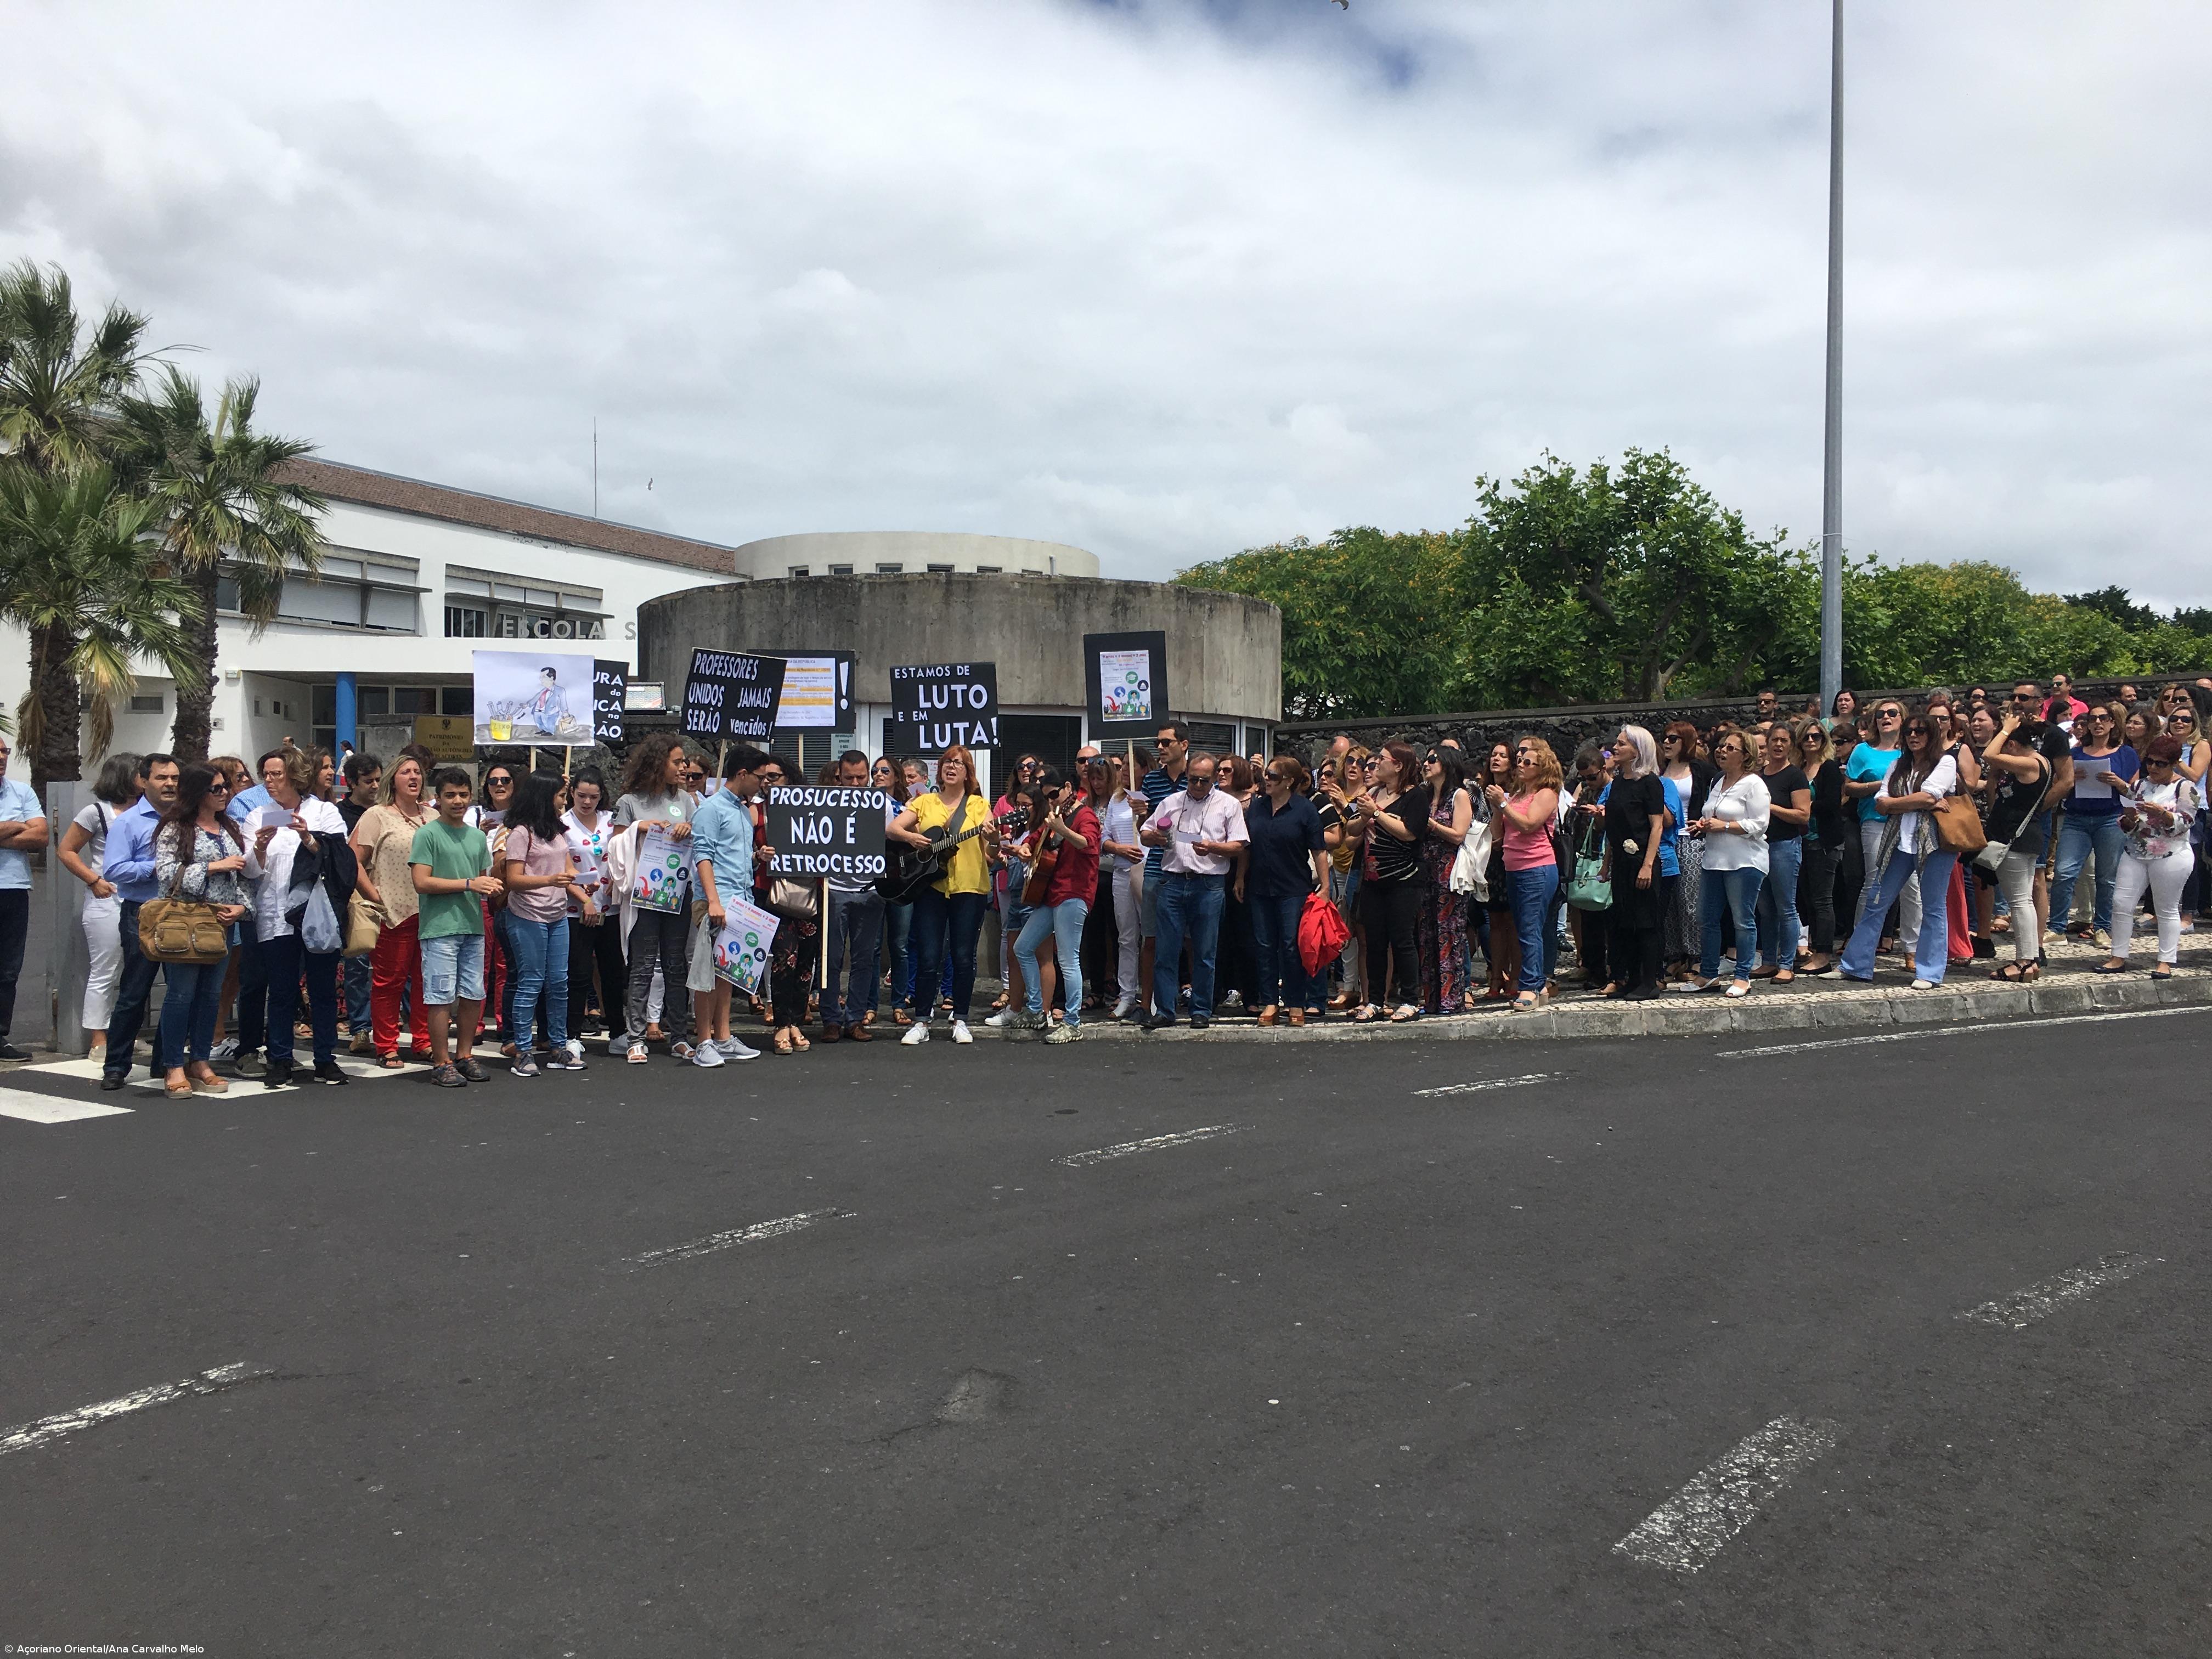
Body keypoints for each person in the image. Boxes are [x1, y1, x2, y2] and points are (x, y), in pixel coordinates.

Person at [245, 746, 353, 1087]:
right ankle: (280, 1058)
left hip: (317, 914)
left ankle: (325, 1057)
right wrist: (260, 847)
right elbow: (249, 870)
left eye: (276, 774)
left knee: (322, 988)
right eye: (266, 774)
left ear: (294, 774)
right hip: (276, 915)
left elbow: (340, 858)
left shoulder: (324, 812)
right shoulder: (258, 815)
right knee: (281, 991)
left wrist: (308, 836)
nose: (269, 781)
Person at [152, 765, 257, 1098]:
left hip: (221, 925)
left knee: (211, 996)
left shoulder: (231, 828)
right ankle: (173, 1066)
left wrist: (243, 907)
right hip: (187, 923)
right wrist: (214, 866)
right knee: (181, 995)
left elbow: (243, 878)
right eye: (217, 789)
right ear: (198, 794)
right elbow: (167, 875)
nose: (225, 792)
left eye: (226, 787)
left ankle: (200, 1061)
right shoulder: (175, 828)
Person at [1839, 713, 1961, 989]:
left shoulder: (1945, 761)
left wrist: (1907, 802)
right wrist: (1923, 803)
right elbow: (1881, 802)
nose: (1914, 736)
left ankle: (1929, 972)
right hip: (1899, 841)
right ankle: (1856, 965)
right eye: (1909, 732)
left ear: (1931, 735)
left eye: (1920, 731)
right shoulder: (1897, 764)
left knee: (1932, 906)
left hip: (1934, 843)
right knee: (1876, 899)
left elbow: (1927, 794)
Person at [892, 745, 998, 1045]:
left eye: (959, 764)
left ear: (968, 773)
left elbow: (991, 853)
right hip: (931, 888)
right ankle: (922, 1020)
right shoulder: (924, 802)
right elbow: (893, 829)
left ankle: (961, 1018)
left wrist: (993, 838)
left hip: (969, 887)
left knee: (963, 957)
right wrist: (912, 837)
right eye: (947, 763)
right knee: (928, 956)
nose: (951, 768)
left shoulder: (978, 805)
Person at [1139, 751, 1249, 1031]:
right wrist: (1153, 836)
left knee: (1204, 951)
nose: (1198, 786)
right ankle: (1165, 1010)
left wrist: (1213, 846)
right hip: (1173, 880)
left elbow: (1239, 845)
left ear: (1215, 779)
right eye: (1193, 780)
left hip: (1209, 883)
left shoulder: (1228, 805)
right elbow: (1145, 833)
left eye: (1204, 781)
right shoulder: (1171, 802)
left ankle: (1201, 1009)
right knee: (1166, 950)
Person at [409, 767, 501, 1087]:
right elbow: (421, 882)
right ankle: (440, 1061)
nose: (458, 801)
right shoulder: (427, 834)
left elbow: (483, 879)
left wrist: (487, 886)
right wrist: (468, 884)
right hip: (439, 928)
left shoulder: (478, 837)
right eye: (450, 795)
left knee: (473, 994)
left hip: (473, 926)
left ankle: (464, 1055)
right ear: (438, 798)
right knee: (440, 997)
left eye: (463, 795)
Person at [98, 752, 180, 1087]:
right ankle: (116, 1065)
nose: (170, 784)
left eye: (175, 778)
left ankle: (166, 1061)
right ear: (143, 781)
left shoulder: (185, 818)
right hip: (142, 913)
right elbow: (114, 870)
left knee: (178, 991)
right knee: (134, 991)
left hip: (180, 913)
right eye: (162, 778)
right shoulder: (129, 822)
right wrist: (156, 868)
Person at [613, 733, 697, 1063]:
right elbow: (616, 845)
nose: (684, 767)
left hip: (679, 892)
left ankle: (679, 1035)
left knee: (677, 966)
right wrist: (641, 827)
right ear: (658, 763)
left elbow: (698, 839)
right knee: (643, 966)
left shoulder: (687, 801)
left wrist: (688, 828)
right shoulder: (630, 802)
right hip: (645, 894)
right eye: (677, 762)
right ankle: (635, 1037)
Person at [498, 774, 588, 1077]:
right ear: (544, 797)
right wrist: (551, 881)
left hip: (557, 914)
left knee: (559, 983)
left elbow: (566, 869)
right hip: (527, 915)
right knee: (531, 983)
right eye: (561, 795)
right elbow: (514, 879)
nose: (565, 801)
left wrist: (585, 895)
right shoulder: (521, 833)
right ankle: (522, 1050)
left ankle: (558, 1046)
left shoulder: (557, 831)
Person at [687, 745, 772, 1059]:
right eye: (760, 777)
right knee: (706, 973)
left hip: (741, 898)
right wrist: (713, 901)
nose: (763, 783)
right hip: (718, 899)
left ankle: (723, 1036)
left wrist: (756, 857)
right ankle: (704, 1041)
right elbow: (704, 857)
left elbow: (730, 855)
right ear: (742, 774)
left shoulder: (741, 809)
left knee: (728, 971)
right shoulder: (711, 810)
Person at [351, 755, 433, 1069]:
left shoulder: (433, 815)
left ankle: (423, 1040)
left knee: (427, 980)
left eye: (417, 772)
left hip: (431, 910)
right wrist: (375, 897)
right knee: (389, 981)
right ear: (392, 779)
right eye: (405, 772)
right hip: (393, 912)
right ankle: (386, 1045)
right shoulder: (377, 816)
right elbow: (352, 860)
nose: (413, 777)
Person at [1674, 730, 1769, 997]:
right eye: (1721, 746)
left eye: (1730, 748)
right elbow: (1713, 815)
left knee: (1743, 920)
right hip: (1714, 860)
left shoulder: (1754, 784)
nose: (1722, 751)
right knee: (1707, 918)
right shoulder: (1719, 781)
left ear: (1745, 755)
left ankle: (1742, 977)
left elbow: (1760, 824)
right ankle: (1708, 974)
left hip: (1744, 862)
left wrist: (1725, 826)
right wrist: (1704, 825)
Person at [58, 753, 139, 1060]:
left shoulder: (150, 811)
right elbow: (66, 850)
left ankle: (126, 1034)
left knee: (139, 969)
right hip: (107, 898)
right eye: (140, 773)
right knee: (106, 969)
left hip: (141, 898)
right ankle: (98, 1038)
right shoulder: (96, 812)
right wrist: (94, 880)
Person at [2098, 735, 2200, 977]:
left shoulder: (2185, 787)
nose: (2153, 768)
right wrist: (2129, 819)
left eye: (2161, 764)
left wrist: (2163, 814)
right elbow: (2126, 820)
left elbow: (2186, 822)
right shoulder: (2140, 785)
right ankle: (2117, 957)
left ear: (2175, 763)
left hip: (2171, 854)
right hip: (2136, 851)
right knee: (2121, 904)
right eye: (2150, 762)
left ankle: (2165, 961)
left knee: (2166, 908)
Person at [1012, 766, 1099, 1043]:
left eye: (1053, 794)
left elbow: (1090, 845)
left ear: (1067, 788)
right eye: (1045, 796)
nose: (1049, 800)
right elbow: (1035, 840)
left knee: (1068, 959)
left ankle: (1072, 1023)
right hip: (1052, 894)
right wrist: (1026, 848)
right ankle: (1038, 1010)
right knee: (1022, 947)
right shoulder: (1056, 814)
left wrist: (1063, 830)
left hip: (1075, 893)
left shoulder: (1085, 815)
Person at [1244, 755, 1329, 1026]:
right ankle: (1270, 1001)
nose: (1267, 779)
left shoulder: (1305, 810)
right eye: (1266, 775)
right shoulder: (1256, 808)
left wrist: (1325, 886)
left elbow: (1319, 850)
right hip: (1259, 886)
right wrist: (1239, 879)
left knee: (1292, 946)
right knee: (1264, 945)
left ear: (1290, 782)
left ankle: (1295, 1001)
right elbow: (1246, 846)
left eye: (1273, 776)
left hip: (1293, 888)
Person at [1486, 737, 1563, 1013]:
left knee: (1531, 928)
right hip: (1514, 868)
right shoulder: (1516, 795)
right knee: (1524, 928)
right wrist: (1499, 806)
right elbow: (1499, 835)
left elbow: (1530, 825)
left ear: (1542, 767)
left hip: (1537, 867)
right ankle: (1538, 984)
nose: (1521, 765)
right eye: (1519, 760)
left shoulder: (1546, 794)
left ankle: (1530, 985)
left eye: (1528, 762)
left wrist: (1504, 806)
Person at [2049, 702, 2134, 944]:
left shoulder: (2125, 753)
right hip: (2076, 818)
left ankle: (2103, 927)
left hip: (2110, 818)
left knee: (2106, 876)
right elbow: (2057, 784)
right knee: (2064, 873)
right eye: (2093, 719)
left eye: (2103, 718)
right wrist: (2070, 779)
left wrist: (2118, 783)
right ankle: (2056, 927)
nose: (2097, 723)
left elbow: (2136, 793)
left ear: (2112, 723)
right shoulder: (2075, 754)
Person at [1978, 709, 2052, 982]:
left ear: (2012, 745)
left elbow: (1988, 755)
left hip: (2017, 839)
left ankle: (2023, 960)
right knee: (2024, 901)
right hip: (2020, 836)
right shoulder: (2035, 762)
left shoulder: (2032, 763)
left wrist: (2006, 728)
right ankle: (2030, 959)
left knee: (2019, 901)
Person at [819, 750, 886, 1045]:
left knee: (865, 959)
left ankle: (855, 1019)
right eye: (850, 778)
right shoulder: (826, 804)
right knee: (830, 958)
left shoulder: (880, 803)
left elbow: (894, 832)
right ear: (840, 776)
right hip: (834, 889)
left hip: (870, 891)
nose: (857, 784)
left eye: (862, 777)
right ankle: (831, 1019)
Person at [1598, 726, 1668, 999]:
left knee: (1646, 921)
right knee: (1625, 921)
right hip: (1621, 860)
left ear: (1638, 751)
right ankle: (1632, 978)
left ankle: (1649, 981)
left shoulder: (1650, 783)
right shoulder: (1617, 783)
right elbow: (1613, 830)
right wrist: (1607, 863)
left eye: (1621, 744)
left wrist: (1648, 864)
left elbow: (1656, 826)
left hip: (1641, 859)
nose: (1615, 749)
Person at [560, 768, 623, 1056]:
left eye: (594, 797)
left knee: (613, 972)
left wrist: (619, 884)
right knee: (578, 973)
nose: (587, 802)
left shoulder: (612, 821)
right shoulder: (562, 825)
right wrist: (583, 900)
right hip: (576, 910)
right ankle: (572, 1033)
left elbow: (626, 854)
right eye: (582, 795)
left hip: (612, 908)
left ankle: (618, 1032)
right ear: (572, 792)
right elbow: (561, 867)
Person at [1846, 698, 1914, 956]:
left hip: (1908, 822)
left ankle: (1912, 949)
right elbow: (1849, 787)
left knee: (1912, 886)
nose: (1886, 717)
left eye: (1892, 713)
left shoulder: (1912, 751)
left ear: (1902, 718)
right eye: (1880, 714)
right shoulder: (1863, 751)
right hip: (1874, 821)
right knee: (1874, 881)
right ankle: (1861, 946)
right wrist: (1880, 786)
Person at [1413, 745, 1477, 1014]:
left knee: (1449, 932)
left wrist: (1431, 825)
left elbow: (1458, 834)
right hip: (1425, 871)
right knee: (1427, 934)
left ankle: (1452, 998)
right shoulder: (1425, 795)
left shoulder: (1459, 795)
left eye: (1432, 759)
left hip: (1449, 872)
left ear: (1447, 763)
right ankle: (1432, 998)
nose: (1426, 764)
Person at [1135, 724, 1189, 1017]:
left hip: (1190, 867)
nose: (1160, 748)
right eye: (1157, 743)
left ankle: (1195, 1002)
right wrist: (1142, 819)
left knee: (1192, 940)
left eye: (1166, 742)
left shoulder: (1198, 779)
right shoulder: (1151, 781)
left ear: (1183, 744)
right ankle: (1146, 1004)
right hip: (1157, 865)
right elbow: (1144, 829)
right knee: (1151, 939)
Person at [1659, 723, 1717, 984]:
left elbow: (1715, 799)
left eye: (1674, 738)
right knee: (1668, 902)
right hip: (1665, 842)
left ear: (1687, 741)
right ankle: (1673, 955)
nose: (1667, 743)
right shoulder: (1659, 771)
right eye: (1665, 738)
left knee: (1690, 901)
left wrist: (1705, 822)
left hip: (1692, 840)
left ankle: (1695, 955)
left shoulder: (1701, 770)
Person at [1754, 721, 1812, 984]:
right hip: (1759, 846)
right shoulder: (1758, 775)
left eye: (1784, 741)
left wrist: (1771, 807)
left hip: (1784, 846)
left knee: (1786, 906)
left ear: (1791, 745)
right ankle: (1769, 960)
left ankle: (1787, 963)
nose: (1778, 745)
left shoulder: (1795, 776)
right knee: (1765, 908)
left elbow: (1802, 815)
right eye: (1774, 740)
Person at [336, 750, 381, 1052]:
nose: (375, 786)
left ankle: (392, 1021)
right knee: (358, 963)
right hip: (356, 897)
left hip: (392, 895)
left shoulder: (387, 812)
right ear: (352, 783)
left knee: (393, 967)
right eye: (368, 781)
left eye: (379, 780)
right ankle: (361, 1027)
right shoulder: (338, 816)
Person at [1796, 721, 1845, 975]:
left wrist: (1804, 807)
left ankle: (1824, 953)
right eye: (1806, 737)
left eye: (1816, 736)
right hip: (1801, 841)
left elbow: (1832, 803)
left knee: (1823, 899)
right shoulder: (1798, 769)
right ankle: (1815, 948)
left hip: (1824, 842)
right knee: (1807, 900)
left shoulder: (1829, 768)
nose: (1811, 740)